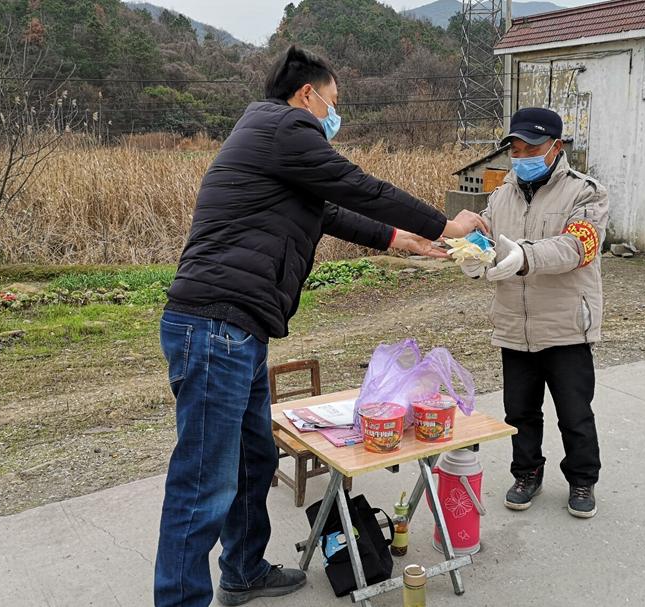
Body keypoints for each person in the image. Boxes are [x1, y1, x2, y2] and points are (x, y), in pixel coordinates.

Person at [154, 45, 488, 607]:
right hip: (214, 326)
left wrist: (420, 242)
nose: (336, 115)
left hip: (237, 329)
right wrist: (444, 217)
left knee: (254, 459)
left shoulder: (274, 151)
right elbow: (355, 185)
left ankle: (242, 571)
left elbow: (337, 213)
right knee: (203, 484)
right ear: (307, 94)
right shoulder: (283, 125)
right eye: (333, 102)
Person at [462, 107, 608, 518]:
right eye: (516, 149)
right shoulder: (500, 195)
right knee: (520, 411)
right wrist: (471, 256)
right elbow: (483, 238)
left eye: (532, 148)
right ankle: (526, 474)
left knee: (574, 413)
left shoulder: (586, 193)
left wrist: (525, 256)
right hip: (513, 323)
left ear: (556, 147)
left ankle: (582, 481)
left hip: (565, 326)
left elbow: (579, 246)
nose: (521, 156)